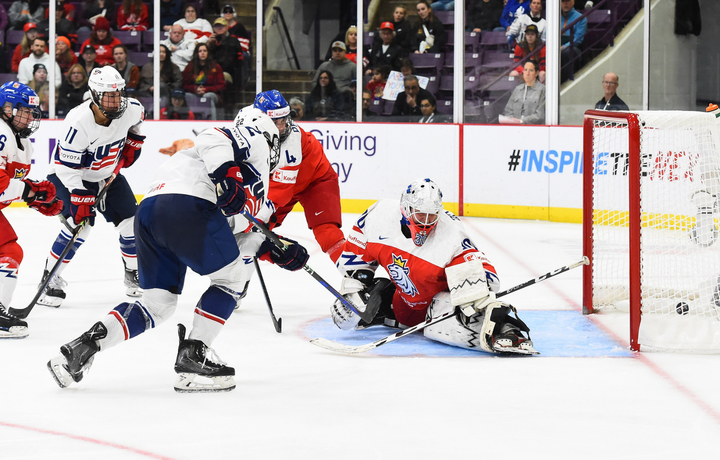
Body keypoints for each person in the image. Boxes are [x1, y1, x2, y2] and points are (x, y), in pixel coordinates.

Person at [47, 109, 310, 392]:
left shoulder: (240, 170)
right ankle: (193, 356)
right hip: (189, 208)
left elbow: (236, 230)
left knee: (157, 306)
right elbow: (213, 136)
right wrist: (229, 175)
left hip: (149, 214)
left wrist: (275, 248)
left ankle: (81, 348)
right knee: (232, 279)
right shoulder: (251, 139)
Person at [330, 178, 537, 354]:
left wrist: (475, 287)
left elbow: (490, 279)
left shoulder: (451, 234)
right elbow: (353, 266)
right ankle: (382, 307)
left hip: (436, 310)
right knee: (350, 310)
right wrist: (350, 296)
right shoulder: (379, 216)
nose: (426, 223)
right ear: (406, 209)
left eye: (432, 216)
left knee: (452, 317)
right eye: (421, 215)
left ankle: (505, 329)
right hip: (402, 303)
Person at [36, 67, 146, 308]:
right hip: (69, 177)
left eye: (118, 95)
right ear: (94, 96)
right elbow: (65, 167)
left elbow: (137, 120)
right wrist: (78, 194)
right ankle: (49, 279)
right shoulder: (78, 122)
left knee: (132, 222)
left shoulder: (132, 108)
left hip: (107, 175)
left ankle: (133, 274)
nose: (115, 101)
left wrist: (133, 140)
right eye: (109, 96)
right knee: (79, 226)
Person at [253, 90, 346, 262]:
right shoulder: (248, 127)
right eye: (275, 122)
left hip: (315, 180)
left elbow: (281, 191)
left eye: (284, 120)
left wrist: (258, 219)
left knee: (327, 232)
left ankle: (355, 275)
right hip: (282, 186)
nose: (282, 127)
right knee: (251, 237)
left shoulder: (293, 140)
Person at [0, 81, 59, 339]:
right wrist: (29, 191)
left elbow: (10, 183)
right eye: (24, 111)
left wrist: (35, 195)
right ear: (7, 108)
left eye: (32, 112)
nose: (30, 117)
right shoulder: (1, 133)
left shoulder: (21, 140)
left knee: (10, 251)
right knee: (8, 251)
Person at [182, 43, 225, 120]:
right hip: (194, 93)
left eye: (205, 51)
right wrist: (195, 89)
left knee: (207, 97)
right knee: (185, 96)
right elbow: (184, 85)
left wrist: (206, 89)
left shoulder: (215, 67)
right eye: (200, 51)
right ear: (197, 53)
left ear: (208, 53)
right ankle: (188, 120)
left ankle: (212, 122)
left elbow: (222, 85)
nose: (202, 53)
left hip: (212, 94)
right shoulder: (190, 67)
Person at [501, 60, 545, 124]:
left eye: (531, 70)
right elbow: (507, 111)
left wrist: (522, 121)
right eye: (525, 70)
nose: (527, 73)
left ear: (536, 73)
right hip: (516, 129)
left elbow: (540, 115)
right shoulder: (517, 89)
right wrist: (511, 120)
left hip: (534, 129)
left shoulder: (542, 89)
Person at [560, 0, 586, 82]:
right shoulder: (554, 18)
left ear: (573, 2)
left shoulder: (580, 18)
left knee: (567, 53)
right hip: (556, 46)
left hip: (572, 47)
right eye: (563, 1)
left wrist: (563, 47)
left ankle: (566, 82)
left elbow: (578, 38)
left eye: (568, 1)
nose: (565, 3)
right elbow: (547, 34)